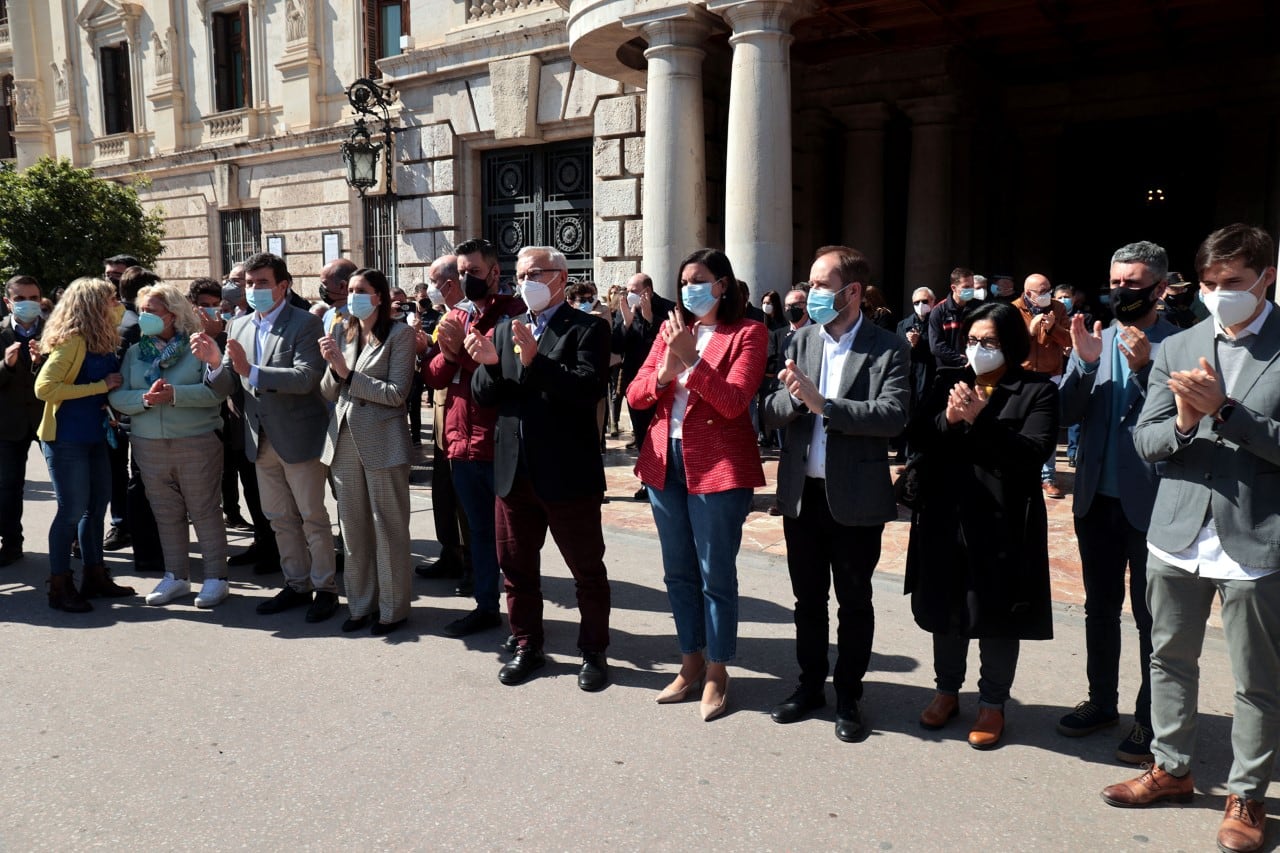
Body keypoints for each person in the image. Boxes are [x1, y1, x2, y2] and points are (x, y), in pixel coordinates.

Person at [1101, 225, 1280, 853]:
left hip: (1256, 535)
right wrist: (1182, 418)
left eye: (1232, 284)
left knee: (1256, 678)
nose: (1218, 295)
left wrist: (1228, 413)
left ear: (1266, 277)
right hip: (1177, 531)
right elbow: (1146, 442)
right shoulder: (1179, 345)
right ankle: (1172, 766)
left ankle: (1247, 794)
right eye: (1208, 284)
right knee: (1168, 657)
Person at [764, 246, 911, 742]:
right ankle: (809, 686)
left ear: (851, 292)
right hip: (802, 493)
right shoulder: (800, 339)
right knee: (807, 600)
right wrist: (794, 400)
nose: (811, 294)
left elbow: (893, 415)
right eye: (809, 283)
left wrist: (825, 404)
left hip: (856, 499)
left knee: (854, 601)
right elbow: (772, 407)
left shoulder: (888, 347)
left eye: (822, 285)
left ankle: (849, 694)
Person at [904, 301, 1058, 750]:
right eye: (972, 340)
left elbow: (1033, 453)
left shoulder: (1038, 390)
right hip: (945, 516)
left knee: (995, 616)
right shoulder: (948, 381)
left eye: (988, 341)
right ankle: (946, 691)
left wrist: (980, 419)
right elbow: (916, 435)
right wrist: (948, 419)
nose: (978, 349)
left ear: (1009, 343)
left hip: (1003, 521)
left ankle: (992, 704)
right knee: (946, 607)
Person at [626, 248, 766, 721]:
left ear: (722, 284)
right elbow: (636, 392)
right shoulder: (671, 330)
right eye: (684, 280)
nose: (689, 288)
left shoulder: (748, 332)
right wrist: (667, 370)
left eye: (700, 279)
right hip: (666, 460)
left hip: (719, 465)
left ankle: (718, 671)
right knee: (677, 571)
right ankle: (690, 662)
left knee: (715, 573)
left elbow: (733, 402)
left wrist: (694, 362)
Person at [468, 245, 612, 691]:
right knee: (517, 568)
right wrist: (491, 366)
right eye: (521, 273)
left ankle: (593, 652)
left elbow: (587, 389)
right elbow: (485, 396)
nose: (525, 280)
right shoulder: (508, 327)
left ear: (559, 277)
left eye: (535, 273)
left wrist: (537, 363)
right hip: (515, 471)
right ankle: (528, 643)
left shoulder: (587, 327)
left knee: (586, 570)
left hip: (567, 472)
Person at [1058, 240, 1178, 763]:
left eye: (1132, 282)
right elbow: (1064, 413)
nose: (1121, 291)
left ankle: (1149, 720)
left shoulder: (1184, 341)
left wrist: (1150, 366)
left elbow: (1186, 420)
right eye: (1115, 282)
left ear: (1160, 286)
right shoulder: (1097, 340)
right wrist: (1084, 366)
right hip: (1095, 500)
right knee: (1099, 610)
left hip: (1153, 503)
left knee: (1153, 619)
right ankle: (1101, 701)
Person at [192, 252, 339, 623]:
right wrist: (213, 362)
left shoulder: (305, 324)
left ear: (283, 286)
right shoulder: (238, 326)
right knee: (279, 517)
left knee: (312, 517)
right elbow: (229, 382)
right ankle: (296, 583)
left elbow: (307, 377)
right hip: (259, 439)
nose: (253, 289)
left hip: (298, 436)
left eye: (262, 283)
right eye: (248, 283)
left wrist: (252, 371)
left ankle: (326, 588)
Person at [422, 240, 525, 638]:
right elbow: (433, 377)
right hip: (460, 444)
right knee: (478, 533)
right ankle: (486, 605)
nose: (466, 280)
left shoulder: (514, 314)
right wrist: (448, 354)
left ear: (496, 274)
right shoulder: (457, 315)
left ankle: (523, 617)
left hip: (499, 445)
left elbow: (507, 366)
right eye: (462, 273)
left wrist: (459, 351)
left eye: (474, 273)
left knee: (511, 538)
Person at [108, 283, 231, 607]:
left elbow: (217, 393)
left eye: (152, 311)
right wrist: (145, 399)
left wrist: (174, 395)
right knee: (165, 512)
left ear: (173, 314)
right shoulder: (136, 351)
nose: (144, 316)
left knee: (204, 510)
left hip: (195, 440)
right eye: (143, 310)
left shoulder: (197, 347)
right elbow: (117, 396)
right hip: (149, 443)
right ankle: (176, 576)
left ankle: (216, 578)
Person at [318, 268, 416, 635]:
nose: (353, 296)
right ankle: (360, 606)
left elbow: (395, 394)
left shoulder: (400, 334)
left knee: (388, 529)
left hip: (383, 442)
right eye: (350, 290)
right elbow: (329, 392)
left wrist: (347, 373)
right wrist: (332, 365)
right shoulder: (344, 331)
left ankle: (392, 610)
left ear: (380, 296)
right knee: (352, 530)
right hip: (343, 441)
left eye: (361, 290)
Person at [33, 278, 135, 611]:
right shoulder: (72, 342)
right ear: (94, 306)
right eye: (111, 299)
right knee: (71, 512)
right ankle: (59, 586)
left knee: (96, 509)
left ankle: (94, 575)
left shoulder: (102, 339)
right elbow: (44, 389)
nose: (117, 304)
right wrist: (98, 386)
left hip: (94, 436)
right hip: (66, 439)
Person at [415, 253, 473, 589]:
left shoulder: (470, 314)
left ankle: (471, 563)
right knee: (444, 494)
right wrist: (425, 350)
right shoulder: (445, 315)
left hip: (462, 419)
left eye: (434, 283)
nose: (431, 289)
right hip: (441, 419)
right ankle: (449, 553)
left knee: (465, 497)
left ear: (448, 284)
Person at [613, 272, 676, 500]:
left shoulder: (668, 309)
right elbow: (616, 346)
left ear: (647, 291)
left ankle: (668, 479)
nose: (629, 294)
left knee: (661, 433)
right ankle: (647, 480)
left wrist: (650, 321)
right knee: (641, 433)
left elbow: (670, 342)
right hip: (636, 382)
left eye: (634, 289)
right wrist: (626, 323)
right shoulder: (627, 312)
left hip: (661, 382)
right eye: (627, 289)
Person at [0, 275, 47, 566]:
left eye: (33, 298)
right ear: (8, 302)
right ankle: (11, 543)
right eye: (20, 299)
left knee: (67, 484)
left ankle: (73, 540)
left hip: (49, 419)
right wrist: (6, 364)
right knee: (7, 487)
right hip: (8, 424)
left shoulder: (56, 331)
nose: (27, 304)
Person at [1015, 273, 1071, 499]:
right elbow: (1009, 344)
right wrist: (1030, 332)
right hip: (1023, 375)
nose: (1048, 293)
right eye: (1042, 291)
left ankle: (1048, 477)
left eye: (1049, 288)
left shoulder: (1058, 308)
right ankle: (1022, 473)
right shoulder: (1014, 309)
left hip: (1050, 375)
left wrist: (1053, 327)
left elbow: (1069, 340)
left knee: (1048, 427)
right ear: (1028, 294)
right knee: (1020, 426)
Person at [894, 286, 937, 466]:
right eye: (917, 302)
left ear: (933, 302)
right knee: (907, 412)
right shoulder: (904, 324)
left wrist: (921, 342)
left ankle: (921, 453)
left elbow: (937, 347)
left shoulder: (936, 321)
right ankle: (904, 452)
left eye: (925, 301)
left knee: (924, 411)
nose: (921, 305)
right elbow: (897, 348)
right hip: (909, 373)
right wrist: (909, 343)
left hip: (928, 372)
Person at [928, 267, 979, 368]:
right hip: (949, 369)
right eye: (966, 286)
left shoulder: (978, 308)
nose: (970, 289)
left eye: (972, 286)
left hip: (975, 367)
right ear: (954, 288)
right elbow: (936, 346)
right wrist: (960, 359)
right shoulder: (939, 311)